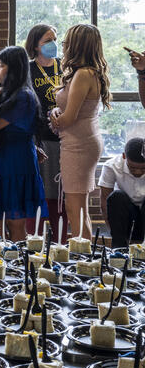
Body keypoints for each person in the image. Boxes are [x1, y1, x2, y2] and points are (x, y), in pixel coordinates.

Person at [0, 46, 48, 241]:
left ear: (14, 68)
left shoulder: (23, 96)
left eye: (1, 65)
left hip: (14, 163)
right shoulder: (11, 94)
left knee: (14, 223)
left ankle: (17, 268)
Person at [49, 24, 110, 239]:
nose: (62, 46)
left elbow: (68, 118)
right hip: (80, 140)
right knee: (78, 207)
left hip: (79, 145)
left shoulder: (84, 74)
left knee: (75, 209)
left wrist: (54, 117)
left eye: (66, 42)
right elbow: (68, 111)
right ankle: (85, 256)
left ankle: (82, 259)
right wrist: (57, 110)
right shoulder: (85, 72)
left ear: (76, 46)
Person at [25, 24, 68, 241]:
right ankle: (35, 240)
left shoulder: (65, 66)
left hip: (66, 137)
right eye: (47, 40)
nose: (52, 44)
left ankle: (60, 240)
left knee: (60, 193)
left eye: (55, 39)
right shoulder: (29, 69)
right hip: (40, 137)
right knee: (39, 190)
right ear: (35, 45)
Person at [99, 138, 145, 248]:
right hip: (125, 212)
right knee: (116, 197)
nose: (138, 172)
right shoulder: (111, 166)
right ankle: (120, 250)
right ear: (124, 156)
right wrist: (115, 232)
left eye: (143, 168)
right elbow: (105, 201)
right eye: (133, 168)